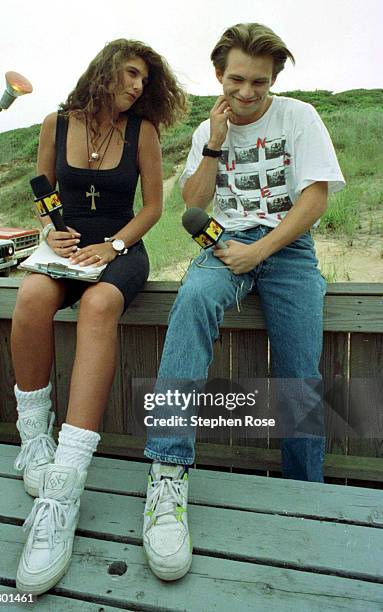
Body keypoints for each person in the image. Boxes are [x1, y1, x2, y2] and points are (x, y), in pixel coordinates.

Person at [142, 23, 345, 581]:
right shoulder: (210, 127)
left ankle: (306, 495)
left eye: (259, 82)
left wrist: (262, 253)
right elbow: (194, 200)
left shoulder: (300, 117)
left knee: (299, 369)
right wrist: (212, 139)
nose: (247, 92)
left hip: (287, 248)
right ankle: (168, 470)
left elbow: (315, 198)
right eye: (236, 80)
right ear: (218, 75)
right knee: (191, 307)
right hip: (222, 242)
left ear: (274, 79)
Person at [11, 38, 187, 595]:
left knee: (99, 303)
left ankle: (63, 489)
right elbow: (43, 191)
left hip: (120, 249)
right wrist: (49, 230)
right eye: (132, 74)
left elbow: (155, 207)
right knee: (31, 298)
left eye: (146, 80)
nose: (138, 87)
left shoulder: (144, 133)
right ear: (106, 70)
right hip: (66, 249)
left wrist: (112, 246)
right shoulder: (55, 124)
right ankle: (33, 440)